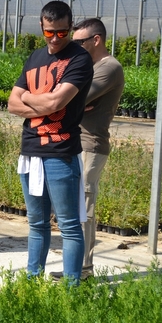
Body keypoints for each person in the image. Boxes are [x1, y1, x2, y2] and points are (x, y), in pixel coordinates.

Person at [7, 0, 94, 283]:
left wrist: (29, 98)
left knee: (68, 225)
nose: (55, 39)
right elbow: (11, 103)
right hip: (31, 150)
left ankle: (71, 287)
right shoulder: (35, 58)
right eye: (49, 33)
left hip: (61, 151)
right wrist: (40, 103)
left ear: (70, 28)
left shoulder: (79, 59)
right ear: (41, 27)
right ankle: (32, 281)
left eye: (62, 32)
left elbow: (58, 101)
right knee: (36, 224)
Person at [52, 19, 123, 281]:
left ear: (96, 40)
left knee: (84, 205)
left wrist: (74, 101)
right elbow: (60, 95)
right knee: (71, 205)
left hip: (91, 144)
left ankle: (82, 269)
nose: (75, 46)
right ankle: (76, 266)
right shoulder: (87, 67)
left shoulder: (110, 68)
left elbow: (68, 98)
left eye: (80, 41)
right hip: (74, 141)